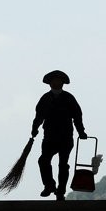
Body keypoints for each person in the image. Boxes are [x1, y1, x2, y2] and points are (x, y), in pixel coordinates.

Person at [31, 69, 87, 200]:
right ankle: (49, 185)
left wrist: (81, 131)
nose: (56, 83)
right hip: (49, 136)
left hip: (66, 137)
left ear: (63, 83)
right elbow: (39, 116)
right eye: (54, 81)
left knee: (63, 164)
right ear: (50, 83)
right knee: (43, 160)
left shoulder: (69, 98)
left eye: (59, 81)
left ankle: (61, 191)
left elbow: (77, 116)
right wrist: (34, 129)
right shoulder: (45, 98)